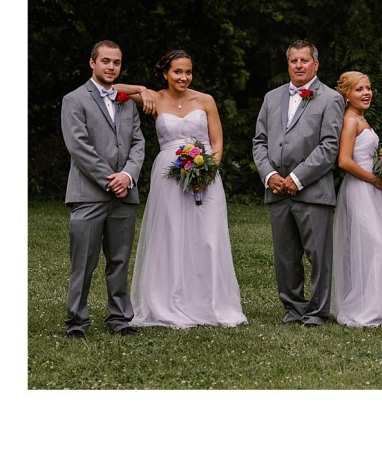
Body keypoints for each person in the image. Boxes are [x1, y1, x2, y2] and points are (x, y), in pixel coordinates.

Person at [114, 50, 247, 328]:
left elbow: (217, 142)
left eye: (188, 72)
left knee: (207, 237)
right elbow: (112, 88)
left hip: (206, 174)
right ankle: (171, 301)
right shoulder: (155, 97)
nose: (184, 77)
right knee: (172, 234)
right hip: (168, 176)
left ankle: (208, 303)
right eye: (177, 72)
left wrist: (208, 172)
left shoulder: (205, 100)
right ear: (165, 73)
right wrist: (142, 90)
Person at [253, 40, 344, 327]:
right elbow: (259, 142)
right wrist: (270, 176)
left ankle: (317, 311)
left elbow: (329, 147)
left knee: (319, 256)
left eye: (304, 60)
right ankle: (293, 308)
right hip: (277, 190)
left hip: (313, 191)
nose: (299, 66)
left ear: (315, 64)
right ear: (288, 63)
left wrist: (296, 178)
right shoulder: (271, 98)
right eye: (294, 61)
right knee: (285, 256)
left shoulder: (330, 99)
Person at [61, 40, 146, 338]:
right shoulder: (74, 99)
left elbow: (138, 143)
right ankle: (77, 321)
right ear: (92, 63)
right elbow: (78, 146)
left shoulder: (126, 102)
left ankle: (120, 318)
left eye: (117, 62)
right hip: (89, 193)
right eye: (106, 61)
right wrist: (111, 179)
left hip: (125, 194)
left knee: (120, 260)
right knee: (83, 261)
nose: (111, 67)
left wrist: (128, 175)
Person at [330, 71, 382, 328]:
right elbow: (344, 161)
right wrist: (374, 179)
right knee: (376, 246)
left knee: (374, 248)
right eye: (359, 89)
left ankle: (378, 307)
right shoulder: (350, 121)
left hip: (371, 191)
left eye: (368, 88)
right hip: (359, 190)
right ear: (346, 94)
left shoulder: (362, 119)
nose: (366, 93)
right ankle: (366, 309)